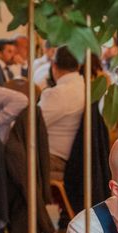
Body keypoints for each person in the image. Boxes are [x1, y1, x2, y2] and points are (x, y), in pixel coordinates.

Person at [38, 46, 85, 180]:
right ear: (79, 65)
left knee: (5, 156)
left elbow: (29, 124)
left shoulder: (59, 94)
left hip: (54, 159)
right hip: (76, 158)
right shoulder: (86, 88)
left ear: (54, 65)